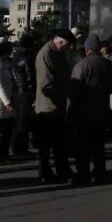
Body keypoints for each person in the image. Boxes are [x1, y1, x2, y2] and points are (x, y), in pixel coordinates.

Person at [68, 34, 112, 185]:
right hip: (101, 110)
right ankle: (100, 174)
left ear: (87, 49)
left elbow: (74, 90)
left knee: (82, 147)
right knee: (98, 146)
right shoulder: (109, 64)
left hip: (83, 112)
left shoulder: (82, 65)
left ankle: (83, 175)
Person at [35, 29, 74, 184]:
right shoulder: (46, 54)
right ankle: (46, 173)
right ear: (59, 41)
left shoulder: (56, 53)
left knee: (57, 143)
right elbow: (46, 85)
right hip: (49, 107)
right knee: (48, 144)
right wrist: (61, 100)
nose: (69, 48)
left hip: (55, 105)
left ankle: (59, 171)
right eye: (68, 45)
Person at [10, 35, 35, 156]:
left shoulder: (15, 56)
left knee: (18, 120)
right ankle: (21, 148)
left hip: (16, 92)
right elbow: (30, 77)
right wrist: (33, 92)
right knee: (24, 121)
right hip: (25, 92)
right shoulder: (27, 58)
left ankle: (16, 146)